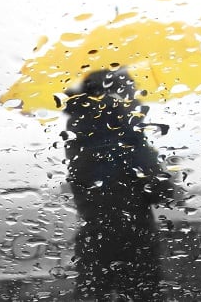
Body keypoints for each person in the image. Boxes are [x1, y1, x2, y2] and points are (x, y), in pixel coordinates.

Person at [62, 68, 175, 301]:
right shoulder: (126, 135)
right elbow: (160, 190)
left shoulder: (78, 132)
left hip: (93, 238)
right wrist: (167, 173)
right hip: (135, 241)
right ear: (114, 94)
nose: (135, 97)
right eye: (130, 91)